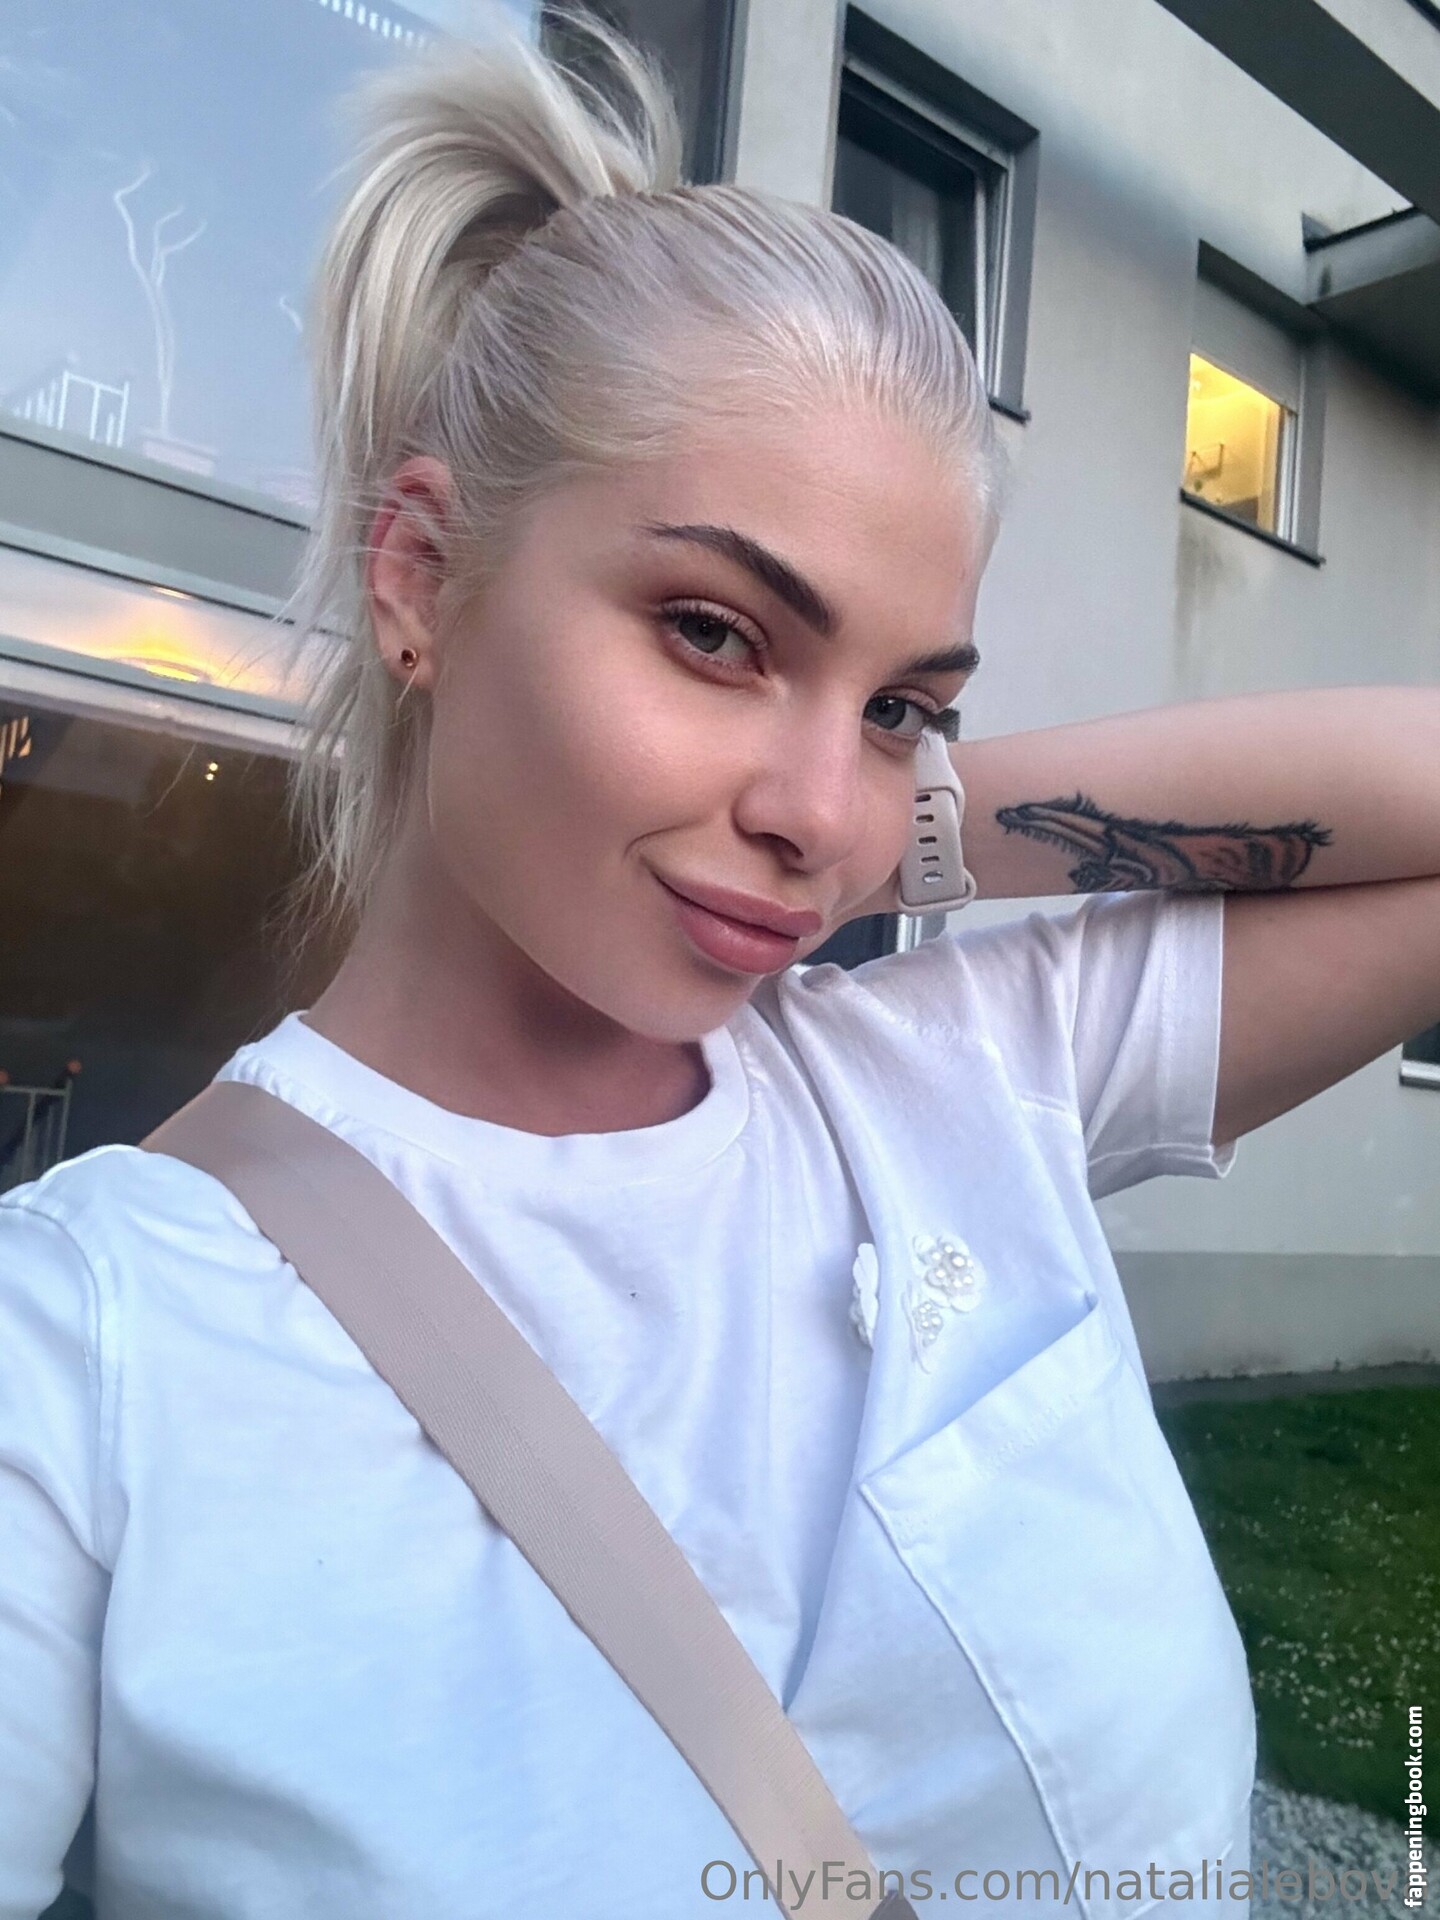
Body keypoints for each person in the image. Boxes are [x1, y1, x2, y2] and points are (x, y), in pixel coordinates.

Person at [6, 12, 1440, 1919]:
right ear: (420, 576)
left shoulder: (967, 1068)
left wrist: (905, 831)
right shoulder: (84, 1344)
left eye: (902, 702)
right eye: (715, 633)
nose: (815, 806)